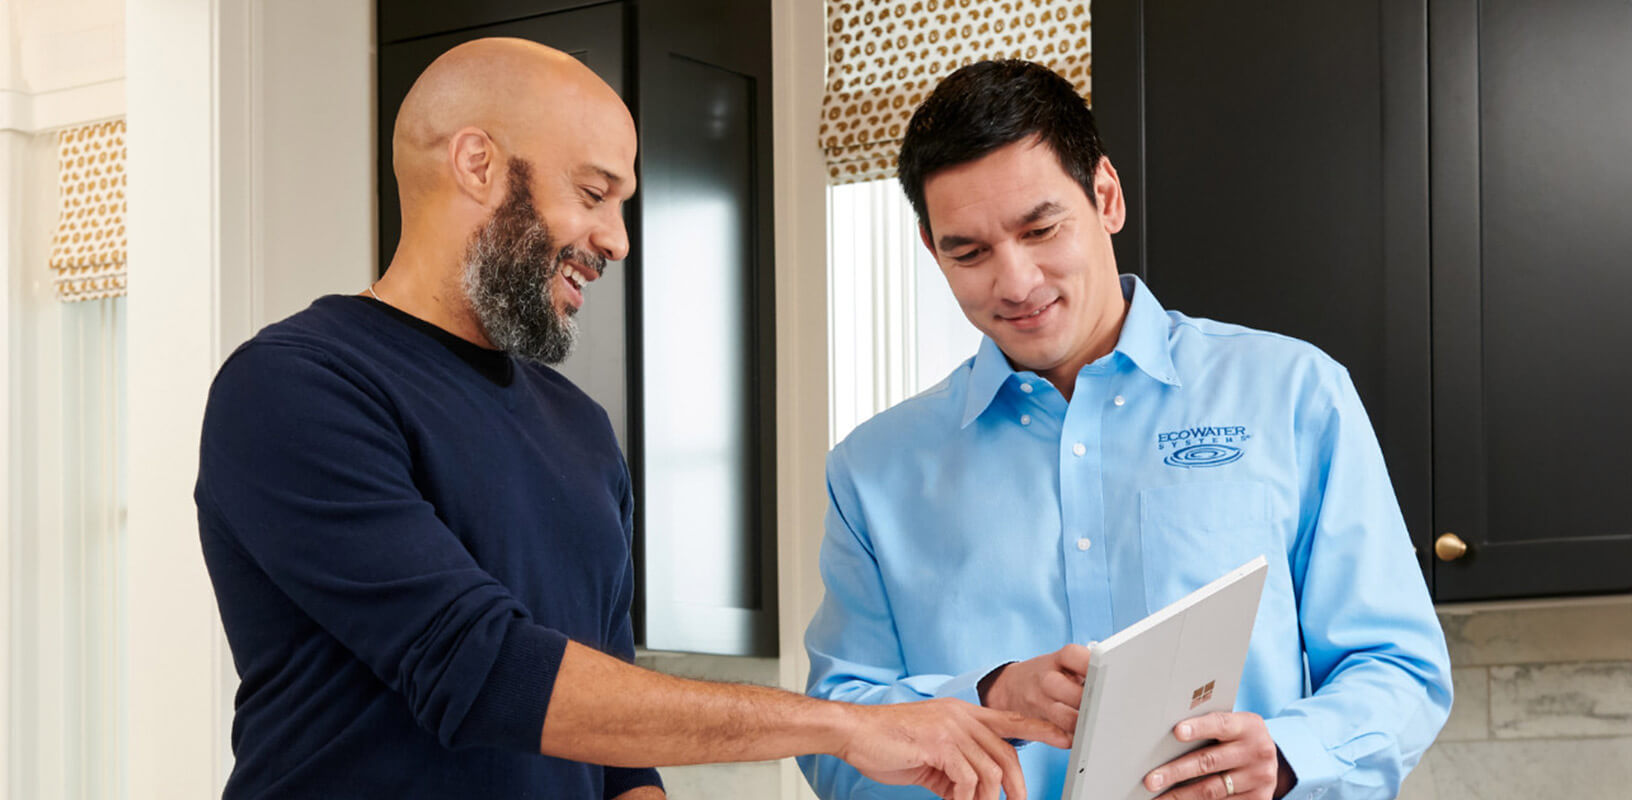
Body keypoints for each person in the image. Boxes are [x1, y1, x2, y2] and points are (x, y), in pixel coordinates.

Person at [195, 39, 1066, 800]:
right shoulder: (295, 388)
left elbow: (614, 751)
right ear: (477, 164)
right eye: (593, 191)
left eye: (624, 203)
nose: (617, 239)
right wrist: (842, 727)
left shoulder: (577, 427)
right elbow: (483, 672)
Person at [799, 59, 1453, 800]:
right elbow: (830, 745)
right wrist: (984, 699)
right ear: (930, 249)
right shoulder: (872, 472)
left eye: (1041, 228)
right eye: (969, 252)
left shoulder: (1294, 394)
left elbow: (1400, 667)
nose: (1014, 283)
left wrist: (1288, 757)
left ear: (1105, 196)